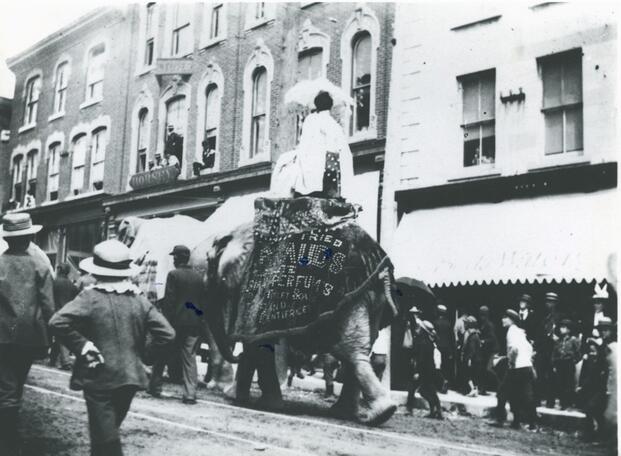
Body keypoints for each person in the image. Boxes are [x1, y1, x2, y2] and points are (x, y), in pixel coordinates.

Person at [49, 239, 175, 456]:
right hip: (130, 377)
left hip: (99, 375)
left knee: (105, 438)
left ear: (96, 271)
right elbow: (168, 334)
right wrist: (146, 356)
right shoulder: (139, 300)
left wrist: (83, 345)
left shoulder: (90, 297)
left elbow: (56, 322)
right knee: (108, 430)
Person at [0, 214, 55, 455]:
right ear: (30, 236)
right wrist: (50, 336)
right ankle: (10, 437)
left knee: (7, 386)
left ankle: (8, 442)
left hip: (2, 334)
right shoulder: (40, 265)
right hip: (30, 336)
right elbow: (48, 305)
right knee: (16, 383)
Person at [148, 245, 205, 404]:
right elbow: (203, 302)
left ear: (178, 258)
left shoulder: (173, 275)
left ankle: (155, 386)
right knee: (189, 359)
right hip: (193, 324)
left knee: (163, 354)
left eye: (174, 257)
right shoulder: (198, 277)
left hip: (175, 324)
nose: (173, 259)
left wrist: (165, 324)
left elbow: (170, 302)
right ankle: (190, 394)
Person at [293, 91, 354, 201]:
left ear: (317, 105)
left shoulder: (310, 120)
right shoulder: (334, 125)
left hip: (310, 168)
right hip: (329, 168)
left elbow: (304, 144)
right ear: (330, 106)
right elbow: (341, 149)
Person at [493, 309, 538, 431]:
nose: (503, 320)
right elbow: (530, 349)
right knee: (523, 395)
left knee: (502, 392)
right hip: (527, 366)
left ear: (512, 320)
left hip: (516, 367)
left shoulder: (511, 331)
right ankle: (530, 423)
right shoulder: (521, 333)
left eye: (505, 318)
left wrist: (511, 364)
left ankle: (500, 419)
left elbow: (513, 350)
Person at [405, 308, 442, 419]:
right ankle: (436, 410)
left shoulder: (422, 342)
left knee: (416, 389)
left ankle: (410, 409)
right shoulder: (429, 341)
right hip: (429, 369)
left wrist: (416, 371)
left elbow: (420, 358)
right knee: (429, 390)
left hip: (423, 370)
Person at [577, 338, 608, 442]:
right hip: (589, 389)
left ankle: (599, 434)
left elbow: (597, 376)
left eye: (594, 347)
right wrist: (582, 386)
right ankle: (590, 434)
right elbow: (586, 375)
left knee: (593, 410)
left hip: (600, 389)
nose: (592, 348)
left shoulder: (602, 361)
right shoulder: (589, 360)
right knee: (590, 411)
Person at [49, 262, 78, 370]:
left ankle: (65, 361)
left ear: (59, 270)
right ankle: (53, 358)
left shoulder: (54, 283)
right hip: (68, 313)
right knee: (59, 336)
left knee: (60, 337)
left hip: (55, 312)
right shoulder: (71, 285)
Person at [536, 292, 561, 408]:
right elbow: (540, 332)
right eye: (547, 301)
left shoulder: (558, 317)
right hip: (542, 349)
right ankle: (537, 399)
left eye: (551, 302)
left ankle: (550, 401)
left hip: (553, 350)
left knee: (551, 375)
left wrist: (558, 338)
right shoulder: (542, 316)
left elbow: (562, 332)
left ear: (555, 303)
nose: (548, 304)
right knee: (539, 374)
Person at [551, 319, 581, 409]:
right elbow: (554, 352)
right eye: (561, 327)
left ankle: (568, 402)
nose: (561, 329)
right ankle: (562, 402)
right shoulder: (558, 340)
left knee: (568, 383)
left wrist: (574, 361)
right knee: (560, 383)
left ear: (569, 329)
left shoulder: (573, 340)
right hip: (560, 363)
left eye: (564, 327)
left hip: (568, 363)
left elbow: (578, 352)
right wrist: (554, 364)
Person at [478, 305, 499, 395]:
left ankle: (500, 386)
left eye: (483, 315)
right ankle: (483, 389)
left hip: (492, 350)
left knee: (488, 370)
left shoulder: (489, 325)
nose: (481, 317)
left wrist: (483, 341)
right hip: (486, 351)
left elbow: (492, 338)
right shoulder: (483, 324)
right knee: (483, 370)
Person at [434, 304, 455, 388]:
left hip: (438, 347)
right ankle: (445, 381)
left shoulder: (435, 322)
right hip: (447, 348)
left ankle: (440, 383)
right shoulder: (448, 324)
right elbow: (451, 338)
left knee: (437, 365)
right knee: (446, 366)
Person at [462, 316, 482, 397]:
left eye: (466, 323)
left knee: (469, 375)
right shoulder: (476, 334)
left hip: (473, 359)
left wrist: (469, 358)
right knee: (474, 375)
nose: (465, 325)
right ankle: (474, 390)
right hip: (477, 359)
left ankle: (472, 389)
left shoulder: (472, 336)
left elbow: (472, 349)